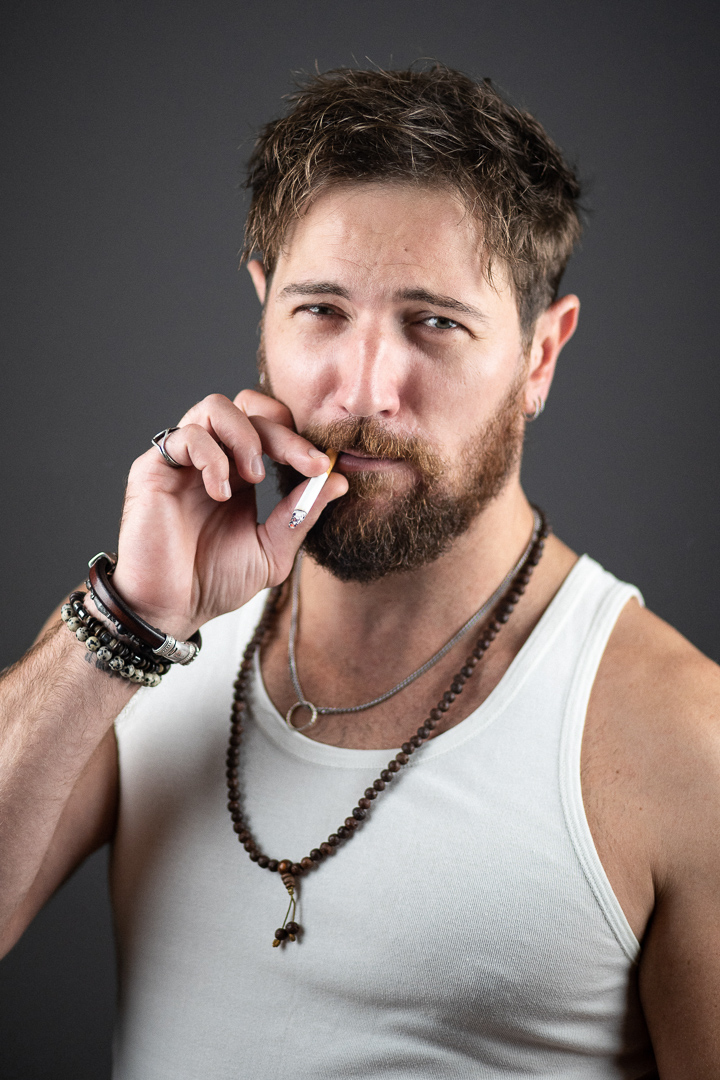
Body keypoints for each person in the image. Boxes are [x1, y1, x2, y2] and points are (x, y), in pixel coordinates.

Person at [0, 64, 717, 1079]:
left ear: (540, 357)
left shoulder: (684, 739)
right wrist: (135, 617)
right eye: (322, 311)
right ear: (263, 309)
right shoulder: (132, 639)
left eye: (435, 322)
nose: (363, 391)